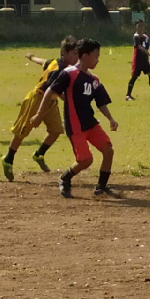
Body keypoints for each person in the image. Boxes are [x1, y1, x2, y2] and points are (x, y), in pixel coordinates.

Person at [30, 38, 119, 198]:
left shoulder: (93, 79)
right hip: (75, 125)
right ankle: (65, 178)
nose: (97, 60)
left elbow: (101, 103)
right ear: (84, 56)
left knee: (108, 150)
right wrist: (39, 114)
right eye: (96, 56)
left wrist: (110, 119)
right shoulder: (68, 74)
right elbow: (50, 92)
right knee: (86, 160)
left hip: (90, 123)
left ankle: (101, 187)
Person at [2, 37, 79, 181]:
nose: (77, 57)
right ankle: (8, 158)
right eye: (74, 54)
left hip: (50, 102)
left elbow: (43, 62)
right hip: (37, 99)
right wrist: (70, 101)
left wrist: (31, 57)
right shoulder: (60, 70)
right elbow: (51, 90)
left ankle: (39, 154)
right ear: (64, 53)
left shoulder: (55, 62)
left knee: (56, 130)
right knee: (23, 131)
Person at [125, 20, 150, 101]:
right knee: (134, 77)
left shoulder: (146, 37)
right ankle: (128, 95)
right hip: (138, 60)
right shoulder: (136, 36)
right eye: (139, 26)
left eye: (141, 25)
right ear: (136, 27)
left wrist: (148, 56)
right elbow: (139, 47)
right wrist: (149, 53)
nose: (140, 27)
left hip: (144, 60)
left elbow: (146, 47)